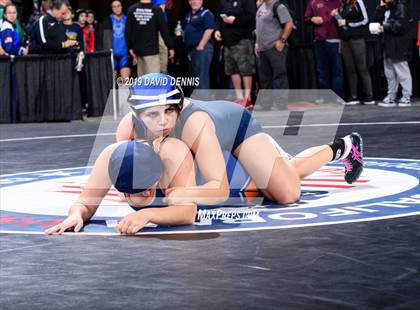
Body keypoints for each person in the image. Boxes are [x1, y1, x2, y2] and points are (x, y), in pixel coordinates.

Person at [117, 73, 364, 206]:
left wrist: (182, 195)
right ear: (136, 115)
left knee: (286, 192)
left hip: (235, 128)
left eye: (169, 111)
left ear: (179, 108)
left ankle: (343, 147)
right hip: (207, 138)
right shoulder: (127, 129)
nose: (162, 121)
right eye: (152, 115)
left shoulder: (194, 123)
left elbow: (219, 188)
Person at [45, 138, 197, 235]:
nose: (143, 196)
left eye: (146, 191)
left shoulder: (173, 155)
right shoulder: (110, 157)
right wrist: (76, 214)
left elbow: (188, 212)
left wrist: (147, 214)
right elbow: (85, 204)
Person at [215, 0, 257, 109]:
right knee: (232, 70)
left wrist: (235, 20)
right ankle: (240, 97)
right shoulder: (223, 2)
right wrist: (217, 30)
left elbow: (251, 18)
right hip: (227, 42)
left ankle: (247, 99)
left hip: (242, 40)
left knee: (246, 69)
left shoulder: (247, 1)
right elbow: (219, 18)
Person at [332, 0, 374, 105]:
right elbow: (342, 23)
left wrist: (347, 22)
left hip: (357, 39)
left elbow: (365, 20)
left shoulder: (358, 2)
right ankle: (353, 96)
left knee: (362, 68)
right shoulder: (343, 5)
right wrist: (336, 16)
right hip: (345, 40)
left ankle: (369, 95)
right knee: (350, 68)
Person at [255, 0, 294, 110]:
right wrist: (257, 43)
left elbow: (289, 23)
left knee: (279, 75)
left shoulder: (278, 6)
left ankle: (281, 103)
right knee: (264, 78)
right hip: (262, 48)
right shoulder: (261, 6)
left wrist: (282, 41)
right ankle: (266, 103)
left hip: (274, 47)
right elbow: (259, 26)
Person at [374, 0, 413, 108]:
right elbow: (376, 21)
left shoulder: (400, 7)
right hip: (387, 45)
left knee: (402, 72)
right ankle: (391, 96)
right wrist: (380, 8)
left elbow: (400, 25)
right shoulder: (386, 8)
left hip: (398, 45)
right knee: (390, 74)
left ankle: (406, 96)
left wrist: (385, 27)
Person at [304, 0, 344, 98]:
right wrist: (312, 19)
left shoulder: (339, 2)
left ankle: (336, 96)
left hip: (334, 39)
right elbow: (306, 18)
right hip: (319, 40)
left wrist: (337, 16)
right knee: (322, 71)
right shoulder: (313, 2)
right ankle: (325, 97)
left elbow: (346, 18)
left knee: (337, 70)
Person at [125, 0, 175, 76]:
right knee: (153, 83)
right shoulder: (156, 9)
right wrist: (170, 47)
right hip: (152, 52)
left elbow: (128, 31)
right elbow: (164, 30)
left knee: (142, 83)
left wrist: (130, 48)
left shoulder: (132, 9)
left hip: (138, 52)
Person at [184, 0, 215, 90]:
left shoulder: (206, 13)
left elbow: (210, 29)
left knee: (201, 79)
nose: (195, 2)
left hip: (202, 50)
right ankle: (195, 102)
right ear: (189, 2)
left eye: (197, 0)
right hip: (192, 50)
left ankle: (204, 103)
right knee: (194, 79)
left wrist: (201, 45)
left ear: (202, 1)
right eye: (192, 0)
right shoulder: (188, 15)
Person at [98, 0, 130, 81]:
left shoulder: (127, 19)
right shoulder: (107, 21)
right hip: (111, 55)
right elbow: (101, 39)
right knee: (111, 84)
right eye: (114, 6)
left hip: (124, 54)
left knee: (125, 83)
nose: (117, 8)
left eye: (118, 6)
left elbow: (133, 37)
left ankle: (124, 94)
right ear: (111, 8)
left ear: (122, 7)